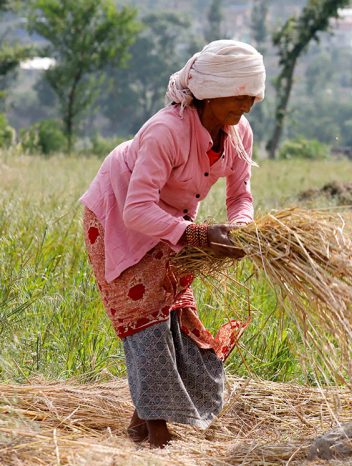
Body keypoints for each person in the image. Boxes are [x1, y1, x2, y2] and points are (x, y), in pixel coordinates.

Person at [80, 40, 265, 448]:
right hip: (118, 216)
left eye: (253, 94)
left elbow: (240, 197)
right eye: (240, 94)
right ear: (210, 92)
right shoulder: (167, 131)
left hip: (171, 222)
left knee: (176, 314)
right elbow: (136, 209)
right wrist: (198, 235)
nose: (248, 104)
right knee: (145, 319)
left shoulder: (239, 133)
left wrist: (241, 230)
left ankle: (139, 423)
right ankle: (157, 436)